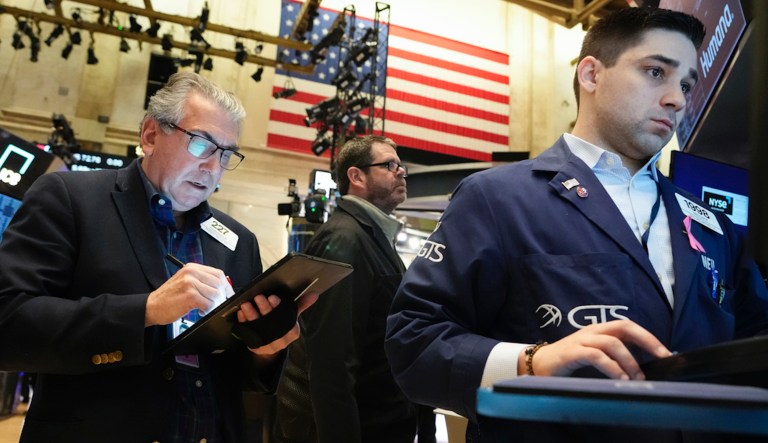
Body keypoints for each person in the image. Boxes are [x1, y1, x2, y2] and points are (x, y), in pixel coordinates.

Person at [385, 6, 768, 443]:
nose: (677, 99)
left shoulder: (712, 225)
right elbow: (414, 341)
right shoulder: (497, 198)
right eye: (655, 72)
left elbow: (755, 336)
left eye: (685, 84)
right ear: (590, 74)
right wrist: (531, 362)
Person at [0, 72, 316, 442]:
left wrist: (266, 350)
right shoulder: (70, 198)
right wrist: (147, 310)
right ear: (150, 135)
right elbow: (9, 325)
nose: (213, 167)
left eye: (226, 154)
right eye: (201, 144)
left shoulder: (239, 241)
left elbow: (239, 374)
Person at [272, 135, 419, 443]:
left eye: (400, 165)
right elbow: (332, 363)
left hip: (379, 424)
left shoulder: (368, 235)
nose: (401, 171)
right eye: (389, 165)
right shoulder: (345, 239)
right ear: (356, 176)